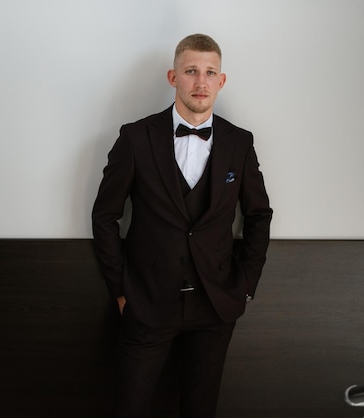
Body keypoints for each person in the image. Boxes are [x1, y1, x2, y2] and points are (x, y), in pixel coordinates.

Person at [91, 34, 272, 418]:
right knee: (129, 407)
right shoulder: (136, 138)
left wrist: (245, 288)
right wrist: (122, 290)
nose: (200, 82)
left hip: (215, 305)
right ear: (173, 77)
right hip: (147, 303)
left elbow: (258, 216)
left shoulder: (240, 143)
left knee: (200, 409)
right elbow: (105, 215)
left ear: (221, 81)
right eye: (191, 71)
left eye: (210, 73)